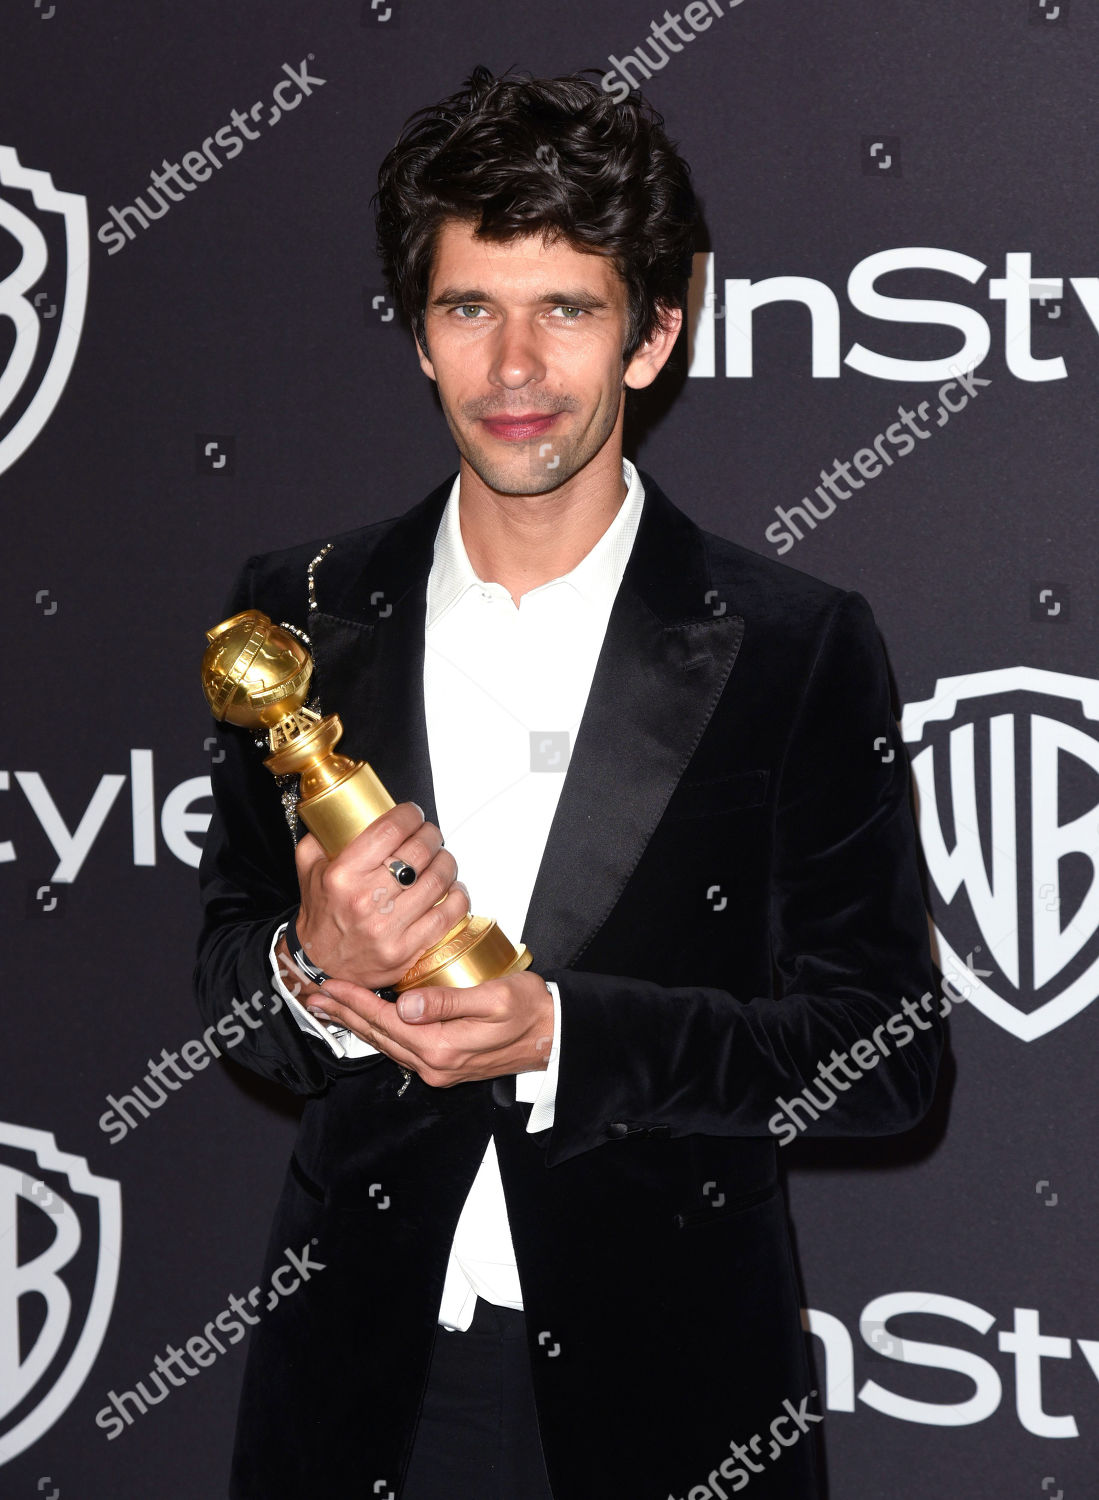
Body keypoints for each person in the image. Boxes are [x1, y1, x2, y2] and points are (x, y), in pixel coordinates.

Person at [194, 65, 942, 1500]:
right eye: (472, 308)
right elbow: (229, 982)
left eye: (569, 310)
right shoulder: (298, 617)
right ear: (420, 335)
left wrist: (564, 1036)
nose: (516, 371)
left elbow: (886, 1058)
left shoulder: (792, 644)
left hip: (672, 1403)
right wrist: (306, 968)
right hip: (358, 1390)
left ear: (654, 334)